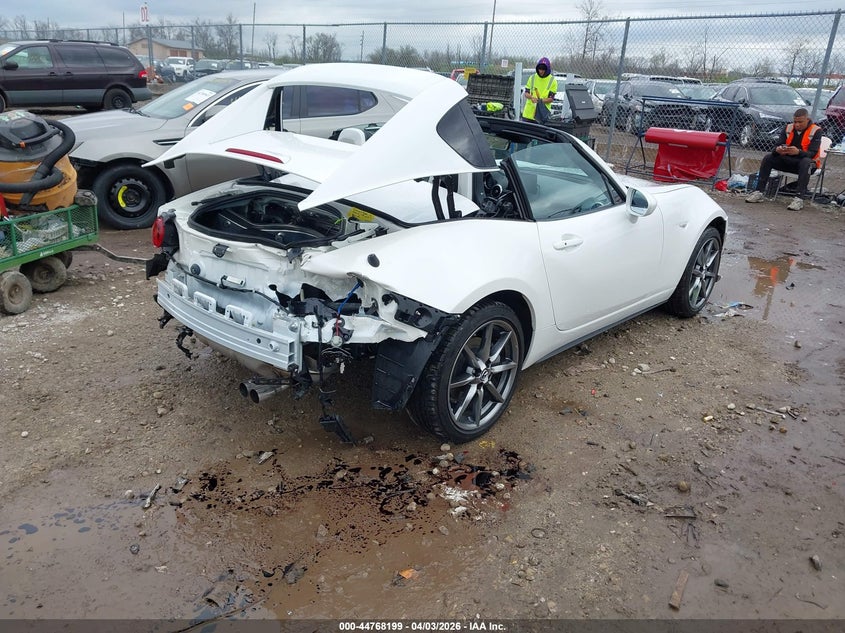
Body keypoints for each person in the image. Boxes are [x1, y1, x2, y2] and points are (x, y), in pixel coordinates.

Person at [745, 108, 822, 211]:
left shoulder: (816, 130)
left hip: (807, 165)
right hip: (788, 161)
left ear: (807, 120)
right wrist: (778, 150)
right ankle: (758, 192)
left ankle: (799, 199)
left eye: (800, 122)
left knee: (806, 162)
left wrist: (798, 152)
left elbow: (812, 153)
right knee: (768, 158)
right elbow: (776, 147)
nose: (797, 125)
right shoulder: (788, 128)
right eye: (795, 122)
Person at [522, 57, 557, 124]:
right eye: (539, 69)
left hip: (542, 115)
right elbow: (526, 93)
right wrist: (531, 97)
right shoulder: (532, 78)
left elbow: (551, 99)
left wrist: (539, 101)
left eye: (543, 69)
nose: (541, 71)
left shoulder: (552, 81)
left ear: (547, 69)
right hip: (528, 114)